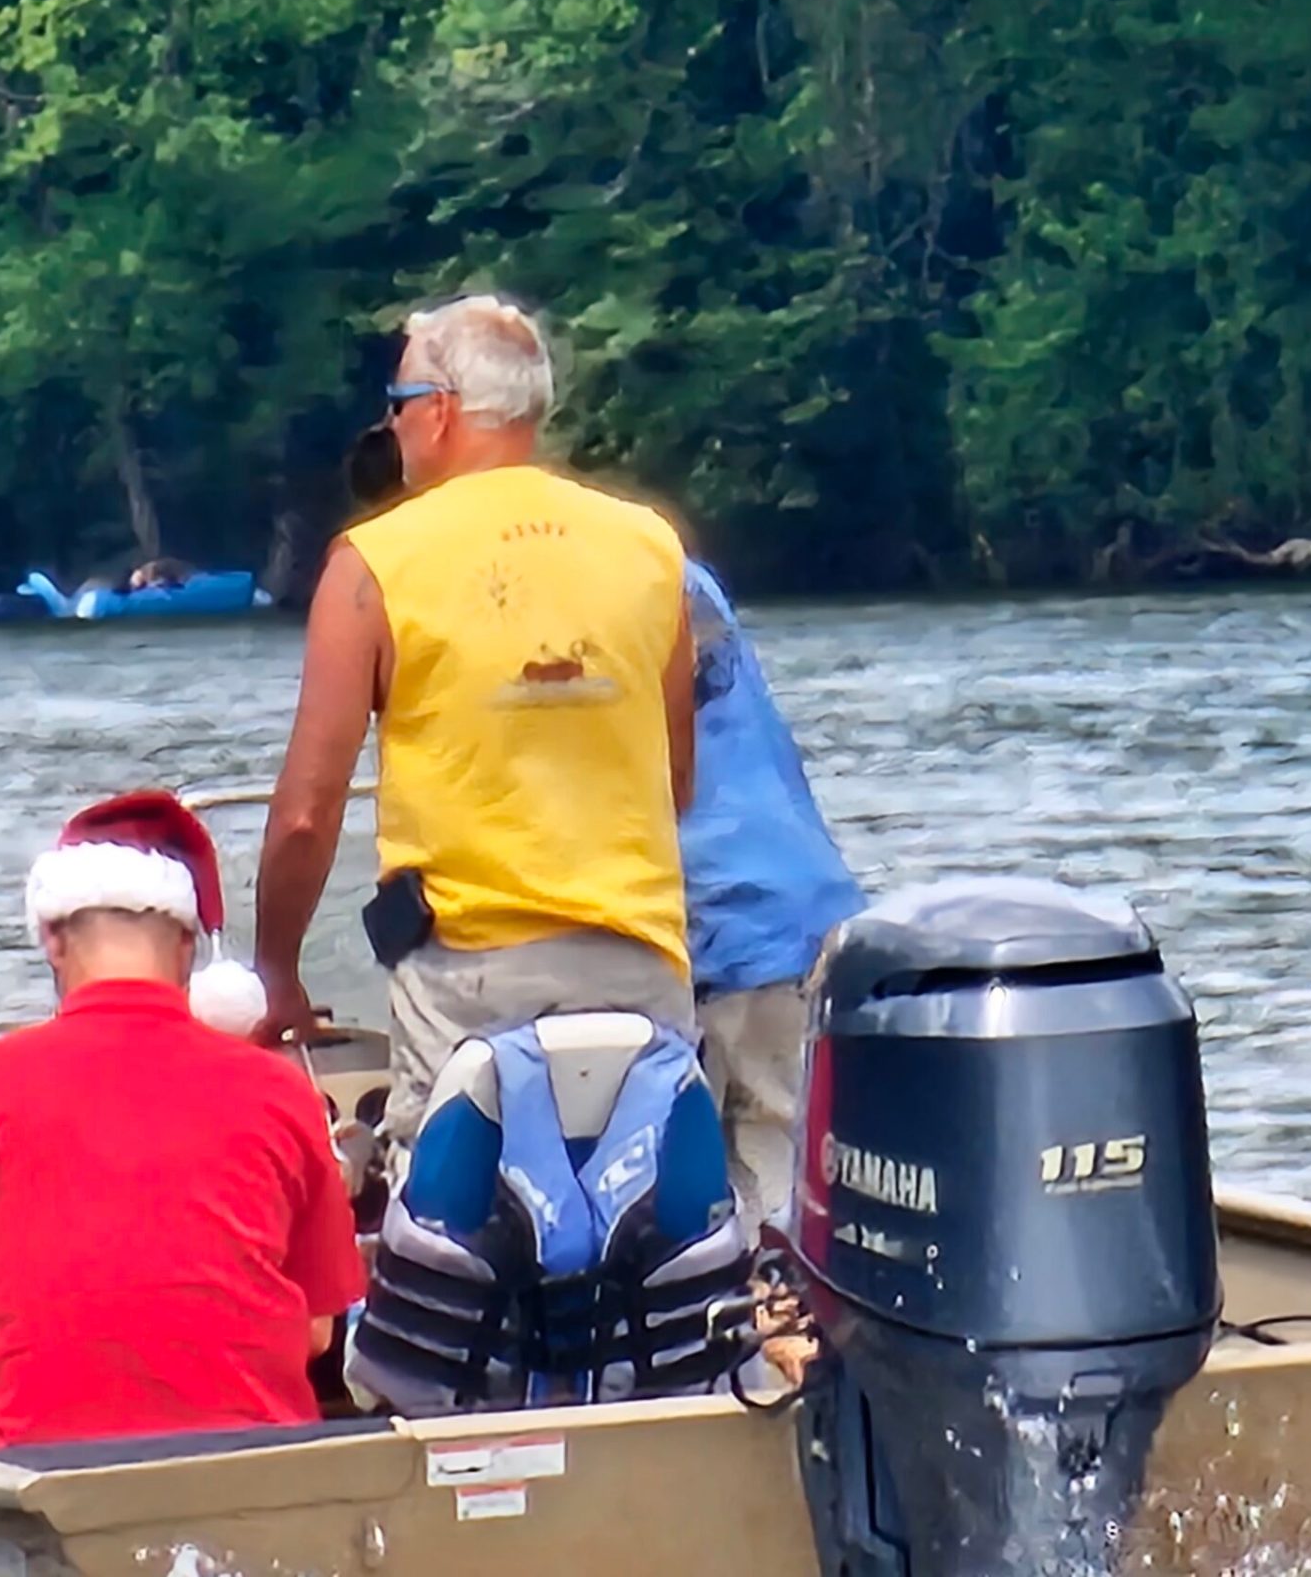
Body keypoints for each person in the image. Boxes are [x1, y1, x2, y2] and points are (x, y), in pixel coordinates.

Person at [255, 294, 698, 1148]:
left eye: (399, 404)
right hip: (640, 961)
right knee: (637, 1218)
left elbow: (309, 815)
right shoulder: (651, 546)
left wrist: (277, 965)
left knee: (461, 1233)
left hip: (471, 976)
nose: (392, 426)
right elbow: (677, 780)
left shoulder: (376, 561)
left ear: (444, 411)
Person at [0, 791, 367, 1452]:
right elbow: (316, 1331)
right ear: (190, 947)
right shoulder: (280, 1091)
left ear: (52, 938)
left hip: (43, 1466)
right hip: (256, 1465)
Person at [680, 560, 865, 1231]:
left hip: (727, 928)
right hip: (817, 909)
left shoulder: (605, 600)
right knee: (800, 1153)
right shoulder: (689, 584)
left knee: (754, 1188)